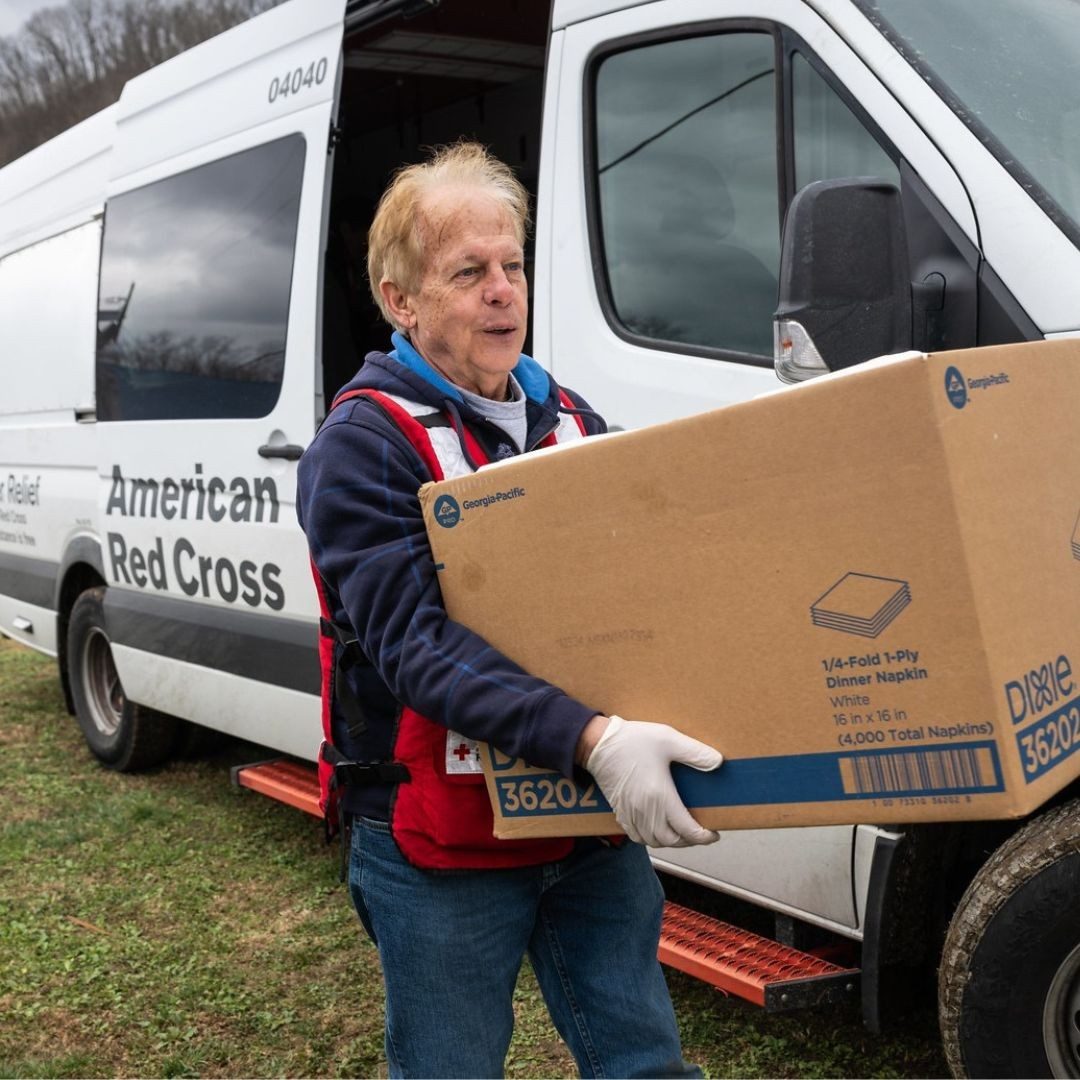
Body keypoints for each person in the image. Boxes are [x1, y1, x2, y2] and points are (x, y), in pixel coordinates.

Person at [296, 141, 724, 1079]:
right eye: (468, 272)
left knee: (644, 1064)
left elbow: (639, 591)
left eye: (513, 266)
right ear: (400, 301)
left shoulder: (568, 418)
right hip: (438, 843)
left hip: (581, 820)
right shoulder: (363, 447)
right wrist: (597, 738)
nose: (502, 291)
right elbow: (416, 648)